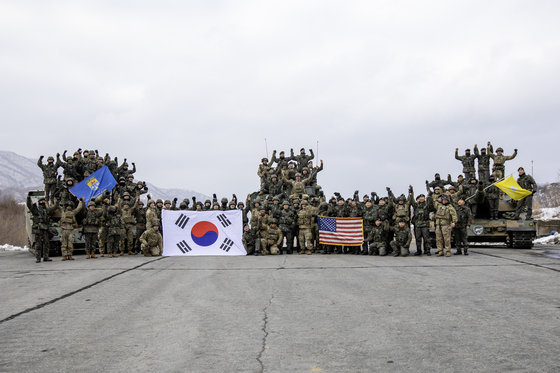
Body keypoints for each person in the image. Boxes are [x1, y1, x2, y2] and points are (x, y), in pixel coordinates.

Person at [26, 196, 57, 263]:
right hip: (39, 229)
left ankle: (46, 257)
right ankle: (38, 258)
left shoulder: (47, 210)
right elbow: (29, 206)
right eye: (41, 201)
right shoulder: (36, 210)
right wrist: (28, 199)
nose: (42, 202)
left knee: (46, 243)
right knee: (38, 244)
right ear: (39, 202)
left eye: (43, 201)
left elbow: (54, 208)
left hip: (45, 229)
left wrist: (56, 202)